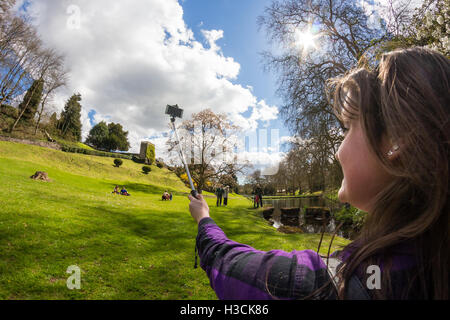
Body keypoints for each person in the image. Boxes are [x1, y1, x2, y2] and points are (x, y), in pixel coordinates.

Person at [188, 47, 449, 299]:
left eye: (348, 128)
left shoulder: (338, 284)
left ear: (395, 140)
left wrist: (204, 218)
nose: (338, 152)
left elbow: (227, 264)